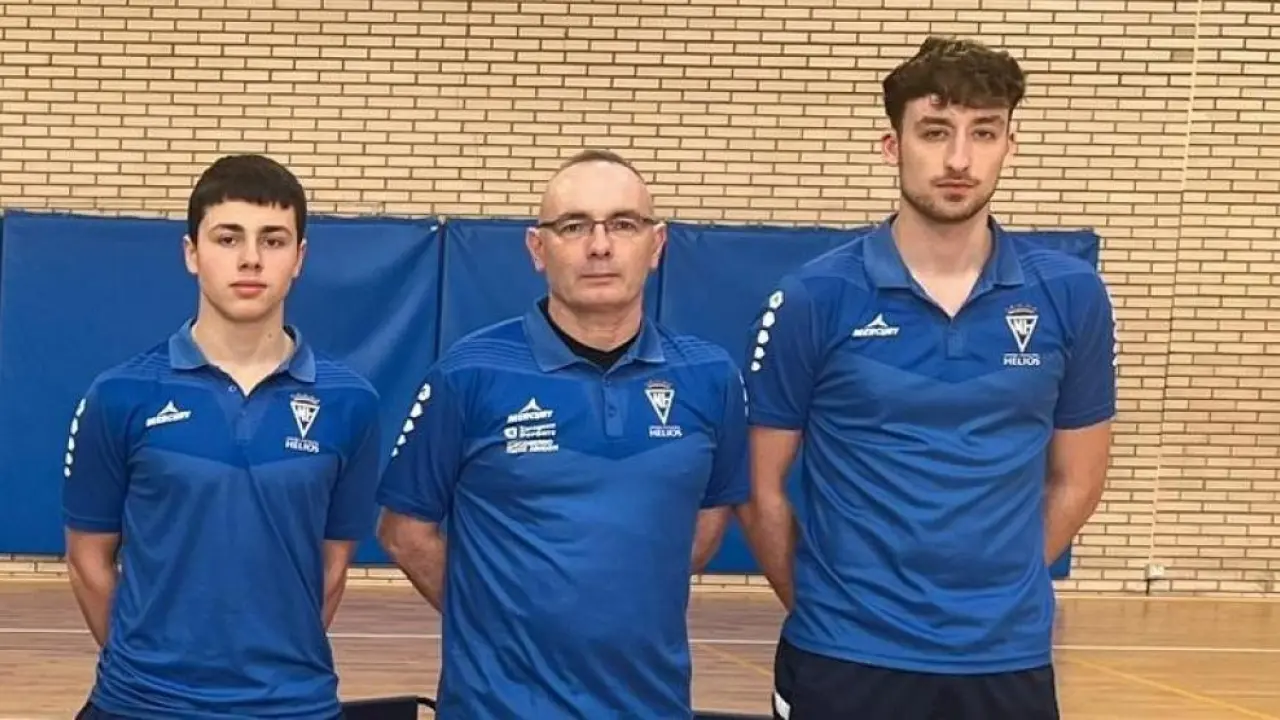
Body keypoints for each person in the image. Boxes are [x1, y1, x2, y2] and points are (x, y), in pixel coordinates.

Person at [738, 36, 1117, 720]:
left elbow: (1080, 479)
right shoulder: (814, 297)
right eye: (936, 131)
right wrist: (828, 607)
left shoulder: (1072, 295)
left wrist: (999, 587)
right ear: (893, 146)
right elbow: (758, 486)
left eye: (984, 132)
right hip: (844, 656)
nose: (959, 159)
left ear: (1010, 146)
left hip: (1006, 658)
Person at [375, 149, 751, 718]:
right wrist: (494, 620)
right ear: (537, 248)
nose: (599, 246)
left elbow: (708, 518)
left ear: (656, 245)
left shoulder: (710, 377)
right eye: (574, 226)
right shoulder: (468, 372)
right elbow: (404, 532)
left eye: (623, 224)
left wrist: (622, 602)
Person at [61, 154, 383, 720]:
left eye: (273, 240)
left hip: (292, 704)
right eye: (228, 238)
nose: (251, 258)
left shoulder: (351, 402)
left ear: (299, 258)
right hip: (139, 704)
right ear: (192, 252)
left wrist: (270, 680)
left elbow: (332, 568)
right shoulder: (119, 394)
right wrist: (149, 676)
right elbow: (88, 559)